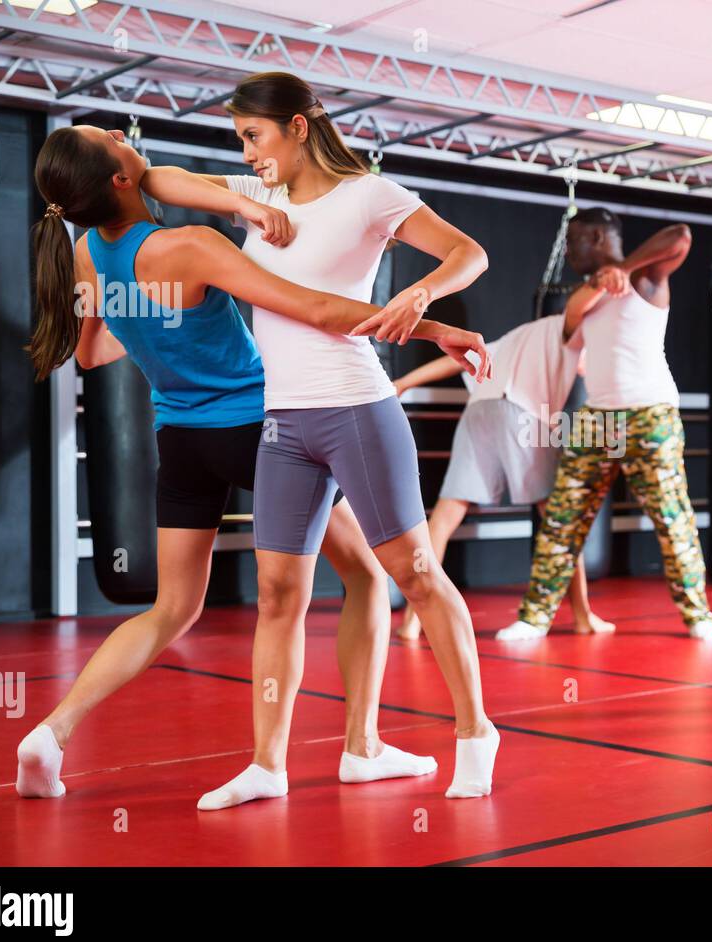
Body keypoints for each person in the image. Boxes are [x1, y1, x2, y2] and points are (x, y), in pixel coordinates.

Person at [16, 123, 483, 798]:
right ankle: (363, 747)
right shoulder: (190, 246)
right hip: (260, 428)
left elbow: (90, 354)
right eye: (110, 137)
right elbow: (314, 307)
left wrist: (160, 333)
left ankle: (51, 733)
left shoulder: (88, 253)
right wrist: (429, 323)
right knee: (367, 577)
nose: (122, 132)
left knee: (171, 609)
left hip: (180, 443)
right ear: (119, 177)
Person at [141, 71, 502, 806]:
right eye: (239, 139)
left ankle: (475, 732)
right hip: (283, 424)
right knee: (278, 593)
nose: (245, 153)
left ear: (299, 127)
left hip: (356, 411)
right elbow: (159, 176)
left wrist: (420, 292)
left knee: (415, 573)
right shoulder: (261, 198)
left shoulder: (369, 194)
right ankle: (268, 765)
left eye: (254, 136)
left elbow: (469, 252)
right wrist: (238, 198)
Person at [495, 210, 712, 643]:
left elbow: (680, 235)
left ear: (598, 236)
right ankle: (535, 617)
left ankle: (698, 616)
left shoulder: (647, 279)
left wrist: (624, 268)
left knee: (672, 519)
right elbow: (572, 322)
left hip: (650, 414)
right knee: (561, 520)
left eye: (575, 242)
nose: (567, 252)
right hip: (597, 419)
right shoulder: (582, 299)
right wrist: (599, 284)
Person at [391, 312, 613, 640]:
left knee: (444, 518)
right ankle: (582, 615)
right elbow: (588, 368)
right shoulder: (577, 329)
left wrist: (404, 382)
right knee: (560, 521)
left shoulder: (519, 332)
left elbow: (460, 358)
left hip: (479, 409)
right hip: (523, 414)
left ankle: (412, 621)